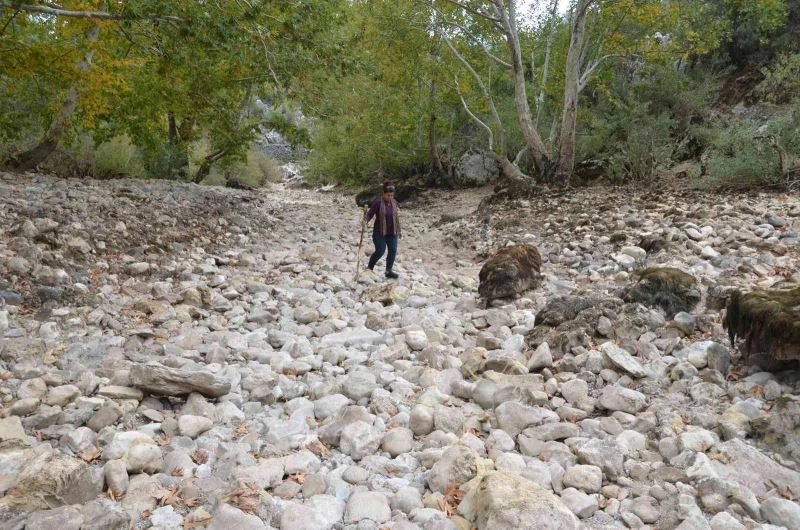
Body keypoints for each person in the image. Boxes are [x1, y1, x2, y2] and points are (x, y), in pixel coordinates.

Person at [363, 181, 401, 279]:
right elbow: (369, 214)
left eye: (392, 195)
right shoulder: (378, 203)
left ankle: (388, 271)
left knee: (392, 250)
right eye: (388, 195)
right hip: (379, 233)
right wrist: (365, 221)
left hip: (392, 232)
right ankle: (369, 268)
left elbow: (395, 217)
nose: (390, 197)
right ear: (383, 193)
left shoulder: (394, 202)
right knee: (380, 251)